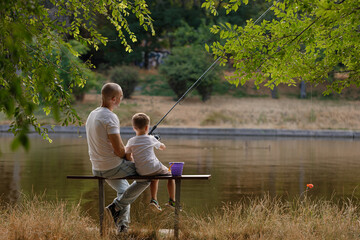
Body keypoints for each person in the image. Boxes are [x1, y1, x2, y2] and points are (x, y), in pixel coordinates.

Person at [85, 83, 150, 233]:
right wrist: (128, 153)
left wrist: (127, 152)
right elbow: (119, 151)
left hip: (97, 168)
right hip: (112, 167)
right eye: (120, 97)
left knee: (124, 190)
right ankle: (115, 207)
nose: (121, 99)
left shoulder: (92, 114)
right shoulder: (110, 117)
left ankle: (122, 227)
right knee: (149, 176)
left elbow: (109, 145)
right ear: (114, 99)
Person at [125, 113, 176, 211]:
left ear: (134, 128)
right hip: (155, 167)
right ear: (147, 127)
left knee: (154, 178)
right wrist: (156, 140)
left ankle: (154, 200)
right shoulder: (151, 139)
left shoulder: (131, 141)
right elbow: (163, 147)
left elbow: (128, 157)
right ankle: (172, 201)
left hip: (141, 171)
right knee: (171, 174)